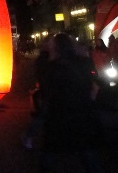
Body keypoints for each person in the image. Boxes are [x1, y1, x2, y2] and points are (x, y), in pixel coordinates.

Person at [39, 33, 103, 173]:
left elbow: (47, 92)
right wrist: (87, 101)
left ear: (55, 48)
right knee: (87, 152)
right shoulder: (83, 62)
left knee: (51, 151)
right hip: (82, 112)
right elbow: (96, 86)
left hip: (60, 114)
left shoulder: (52, 67)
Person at [22, 35, 53, 149]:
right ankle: (29, 136)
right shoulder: (44, 58)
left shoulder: (55, 56)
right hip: (48, 90)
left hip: (54, 90)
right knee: (43, 115)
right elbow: (41, 74)